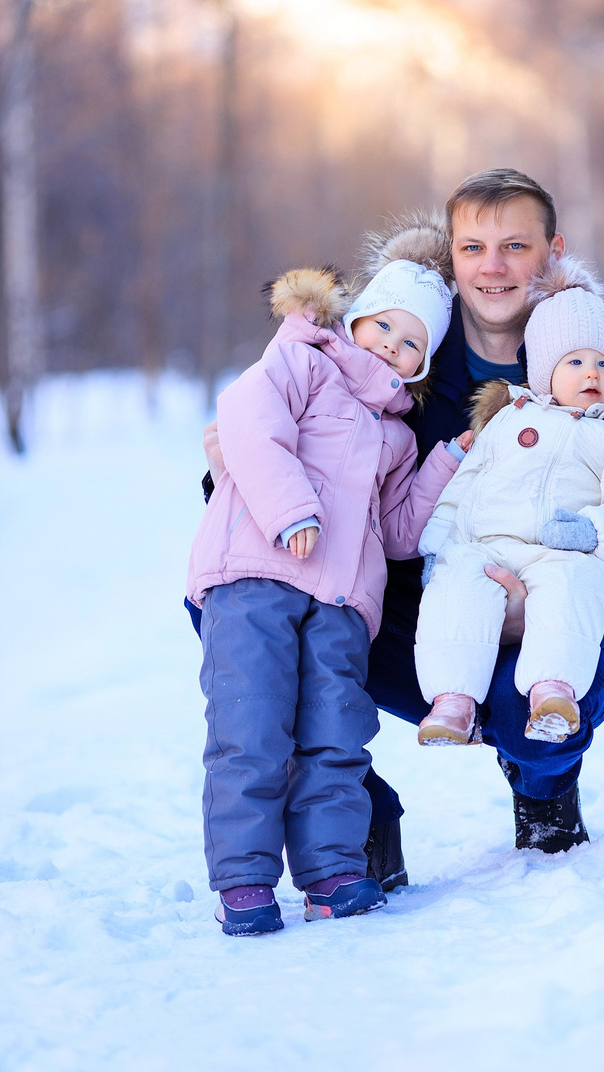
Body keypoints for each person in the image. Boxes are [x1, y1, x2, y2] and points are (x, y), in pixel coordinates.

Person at [200, 169, 604, 874]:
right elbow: (311, 462)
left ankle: (545, 786)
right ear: (452, 256)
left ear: (551, 253)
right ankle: (356, 810)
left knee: (527, 708)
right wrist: (228, 474)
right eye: (473, 248)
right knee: (249, 607)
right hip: (422, 614)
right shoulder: (394, 364)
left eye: (515, 246)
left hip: (561, 617)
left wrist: (575, 617)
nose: (492, 268)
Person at [184, 237, 460, 934]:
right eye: (385, 326)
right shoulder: (301, 361)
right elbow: (248, 425)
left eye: (411, 345)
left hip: (341, 600)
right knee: (251, 726)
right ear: (357, 318)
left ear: (421, 365)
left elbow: (396, 533)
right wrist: (291, 511)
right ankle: (244, 880)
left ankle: (333, 872)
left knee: (336, 737)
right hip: (257, 574)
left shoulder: (397, 437)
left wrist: (445, 463)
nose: (392, 346)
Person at [412, 256, 604, 748]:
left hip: (561, 549)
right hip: (487, 548)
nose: (591, 372)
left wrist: (590, 531)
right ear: (543, 371)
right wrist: (436, 546)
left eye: (603, 363)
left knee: (573, 586)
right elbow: (462, 490)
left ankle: (554, 692)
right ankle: (452, 702)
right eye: (574, 361)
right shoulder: (507, 418)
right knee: (456, 590)